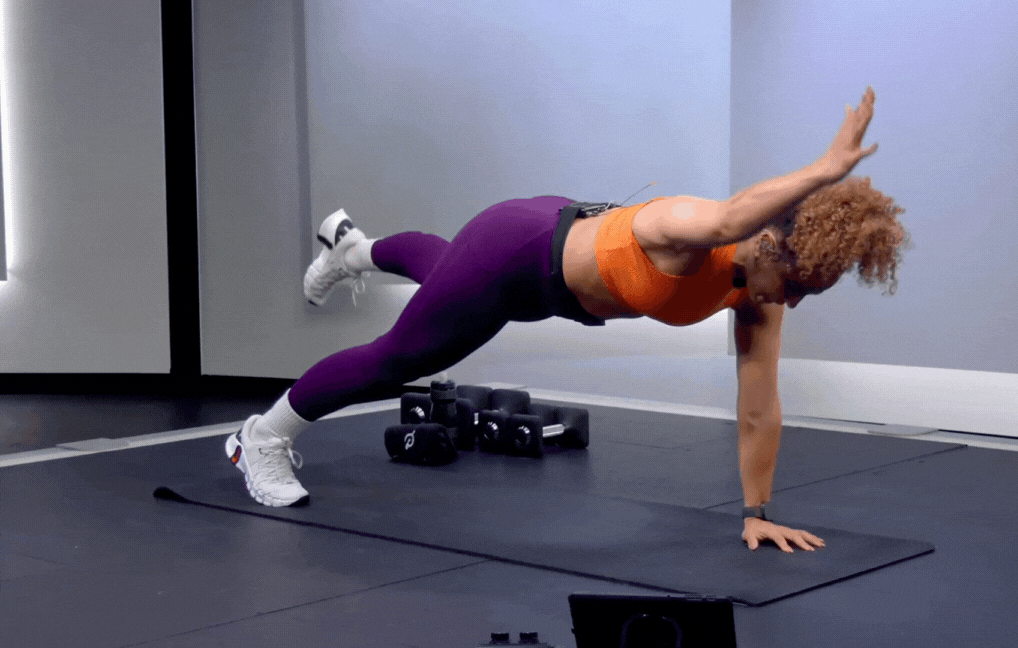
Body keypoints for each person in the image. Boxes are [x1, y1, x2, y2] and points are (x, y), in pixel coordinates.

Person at [225, 87, 910, 553]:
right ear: (768, 241)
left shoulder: (756, 295)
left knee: (442, 280)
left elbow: (759, 407)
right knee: (405, 358)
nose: (788, 301)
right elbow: (734, 212)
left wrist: (757, 514)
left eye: (806, 295)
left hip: (550, 278)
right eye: (792, 284)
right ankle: (262, 436)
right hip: (515, 253)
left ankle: (354, 249)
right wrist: (823, 170)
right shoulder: (689, 227)